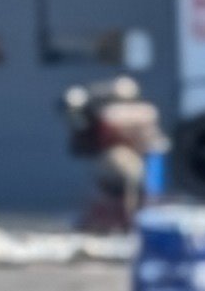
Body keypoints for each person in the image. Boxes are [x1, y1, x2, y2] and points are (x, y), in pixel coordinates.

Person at [62, 72, 161, 234]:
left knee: (123, 187)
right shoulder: (140, 111)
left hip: (120, 159)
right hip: (117, 158)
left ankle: (128, 221)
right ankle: (122, 221)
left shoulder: (116, 112)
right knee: (120, 187)